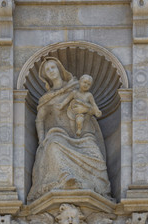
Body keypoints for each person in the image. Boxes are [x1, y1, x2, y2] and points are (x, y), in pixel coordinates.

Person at [27, 57, 112, 203]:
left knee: (95, 153)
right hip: (58, 134)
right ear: (45, 76)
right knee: (53, 145)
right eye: (47, 70)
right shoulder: (46, 98)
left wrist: (87, 109)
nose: (51, 71)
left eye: (53, 67)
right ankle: (65, 177)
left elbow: (93, 110)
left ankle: (99, 189)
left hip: (82, 134)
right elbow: (39, 120)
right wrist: (42, 139)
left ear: (59, 68)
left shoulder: (75, 87)